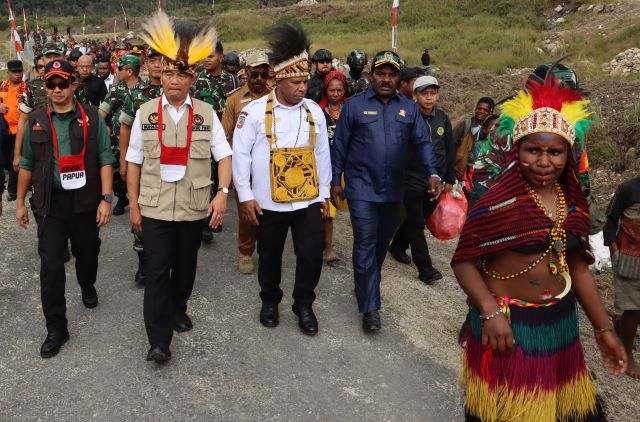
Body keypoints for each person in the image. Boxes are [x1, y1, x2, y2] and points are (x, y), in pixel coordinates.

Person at [452, 77, 627, 421]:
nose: (545, 161)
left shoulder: (572, 204)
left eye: (555, 151)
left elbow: (577, 269)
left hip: (558, 325)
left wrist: (605, 330)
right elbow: (463, 261)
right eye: (534, 150)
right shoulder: (498, 204)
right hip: (507, 328)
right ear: (517, 152)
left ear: (568, 154)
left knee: (567, 412)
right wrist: (490, 312)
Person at [128, 11, 232, 363]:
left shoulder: (205, 113)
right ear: (160, 76)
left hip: (193, 205)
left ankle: (178, 306)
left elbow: (224, 156)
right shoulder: (145, 112)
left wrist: (222, 194)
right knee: (157, 269)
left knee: (186, 265)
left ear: (192, 78)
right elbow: (133, 162)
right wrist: (134, 205)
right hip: (155, 205)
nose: (174, 80)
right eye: (169, 72)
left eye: (182, 74)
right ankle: (158, 340)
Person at [232, 22, 331, 336]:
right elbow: (241, 155)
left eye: (305, 81)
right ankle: (270, 300)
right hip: (267, 202)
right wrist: (246, 196)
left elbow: (322, 154)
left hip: (308, 199)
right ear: (282, 80)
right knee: (270, 255)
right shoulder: (255, 111)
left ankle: (304, 304)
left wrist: (324, 194)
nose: (303, 88)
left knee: (311, 254)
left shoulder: (315, 111)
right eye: (297, 82)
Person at [331, 51, 441, 332]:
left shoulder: (409, 109)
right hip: (361, 189)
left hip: (394, 191)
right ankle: (370, 307)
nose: (386, 79)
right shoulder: (354, 106)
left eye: (392, 75)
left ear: (398, 79)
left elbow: (423, 143)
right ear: (371, 76)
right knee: (366, 242)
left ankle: (366, 282)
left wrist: (432, 172)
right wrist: (334, 181)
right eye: (381, 74)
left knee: (381, 244)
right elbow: (339, 146)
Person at [16, 59, 114, 358]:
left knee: (87, 253)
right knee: (51, 266)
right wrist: (20, 202)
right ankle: (56, 328)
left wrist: (106, 199)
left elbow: (105, 157)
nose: (56, 90)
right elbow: (28, 164)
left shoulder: (92, 118)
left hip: (85, 200)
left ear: (74, 84)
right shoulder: (37, 119)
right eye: (51, 84)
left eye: (62, 83)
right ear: (45, 87)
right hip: (51, 204)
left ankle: (87, 283)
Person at [389, 75, 454, 284]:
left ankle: (397, 245)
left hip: (436, 179)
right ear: (415, 95)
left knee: (420, 218)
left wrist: (449, 177)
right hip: (411, 177)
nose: (428, 98)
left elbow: (449, 149)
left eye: (432, 93)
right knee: (417, 224)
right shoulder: (406, 116)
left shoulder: (443, 118)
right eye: (424, 94)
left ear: (437, 95)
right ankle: (425, 268)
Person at [220, 50, 271, 275]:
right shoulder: (234, 100)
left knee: (270, 212)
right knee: (246, 213)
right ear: (246, 73)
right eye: (254, 74)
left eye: (263, 74)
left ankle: (268, 250)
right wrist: (231, 171)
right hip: (245, 168)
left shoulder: (276, 97)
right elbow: (225, 136)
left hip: (271, 167)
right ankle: (246, 252)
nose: (259, 79)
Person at [118, 47, 164, 286]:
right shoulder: (136, 94)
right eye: (153, 60)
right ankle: (144, 262)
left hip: (169, 165)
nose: (158, 65)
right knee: (140, 213)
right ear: (147, 64)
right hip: (143, 165)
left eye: (162, 60)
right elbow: (125, 127)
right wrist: (123, 161)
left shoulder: (178, 91)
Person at [192, 40, 239, 243]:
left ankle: (215, 216)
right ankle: (205, 222)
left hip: (227, 136)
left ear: (221, 56)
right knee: (204, 178)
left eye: (210, 56)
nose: (206, 60)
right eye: (204, 56)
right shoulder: (197, 80)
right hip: (204, 135)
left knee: (222, 177)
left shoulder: (233, 81)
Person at [99, 55, 146, 216]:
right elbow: (102, 112)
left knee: (138, 170)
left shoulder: (145, 90)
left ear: (129, 71)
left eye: (120, 69)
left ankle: (139, 200)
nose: (117, 72)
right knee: (115, 170)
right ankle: (121, 197)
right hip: (117, 139)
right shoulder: (115, 90)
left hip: (139, 140)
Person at [604, 176, 640, 379]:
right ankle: (628, 356)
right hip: (629, 259)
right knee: (633, 309)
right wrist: (614, 251)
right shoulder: (628, 188)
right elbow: (610, 220)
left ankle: (620, 325)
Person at [14, 41, 65, 173]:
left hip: (68, 145)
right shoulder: (32, 86)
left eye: (57, 57)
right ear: (42, 59)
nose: (53, 61)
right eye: (49, 57)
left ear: (63, 58)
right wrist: (17, 153)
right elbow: (23, 121)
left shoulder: (74, 83)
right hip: (40, 145)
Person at [319, 70, 349, 264]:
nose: (336, 93)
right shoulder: (319, 111)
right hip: (326, 167)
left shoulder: (351, 109)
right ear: (325, 90)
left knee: (356, 207)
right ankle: (328, 248)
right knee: (327, 211)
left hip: (349, 166)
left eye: (339, 90)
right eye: (332, 90)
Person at [0, 60, 26, 203]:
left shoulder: (27, 88)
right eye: (14, 72)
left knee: (15, 161)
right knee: (4, 160)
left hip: (19, 130)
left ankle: (12, 191)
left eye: (19, 71)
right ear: (8, 72)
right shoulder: (2, 86)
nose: (17, 74)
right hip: (3, 130)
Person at [453, 96, 494, 182]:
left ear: (491, 112)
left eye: (485, 110)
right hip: (460, 171)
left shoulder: (492, 129)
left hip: (481, 175)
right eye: (479, 108)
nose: (481, 111)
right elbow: (451, 145)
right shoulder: (465, 125)